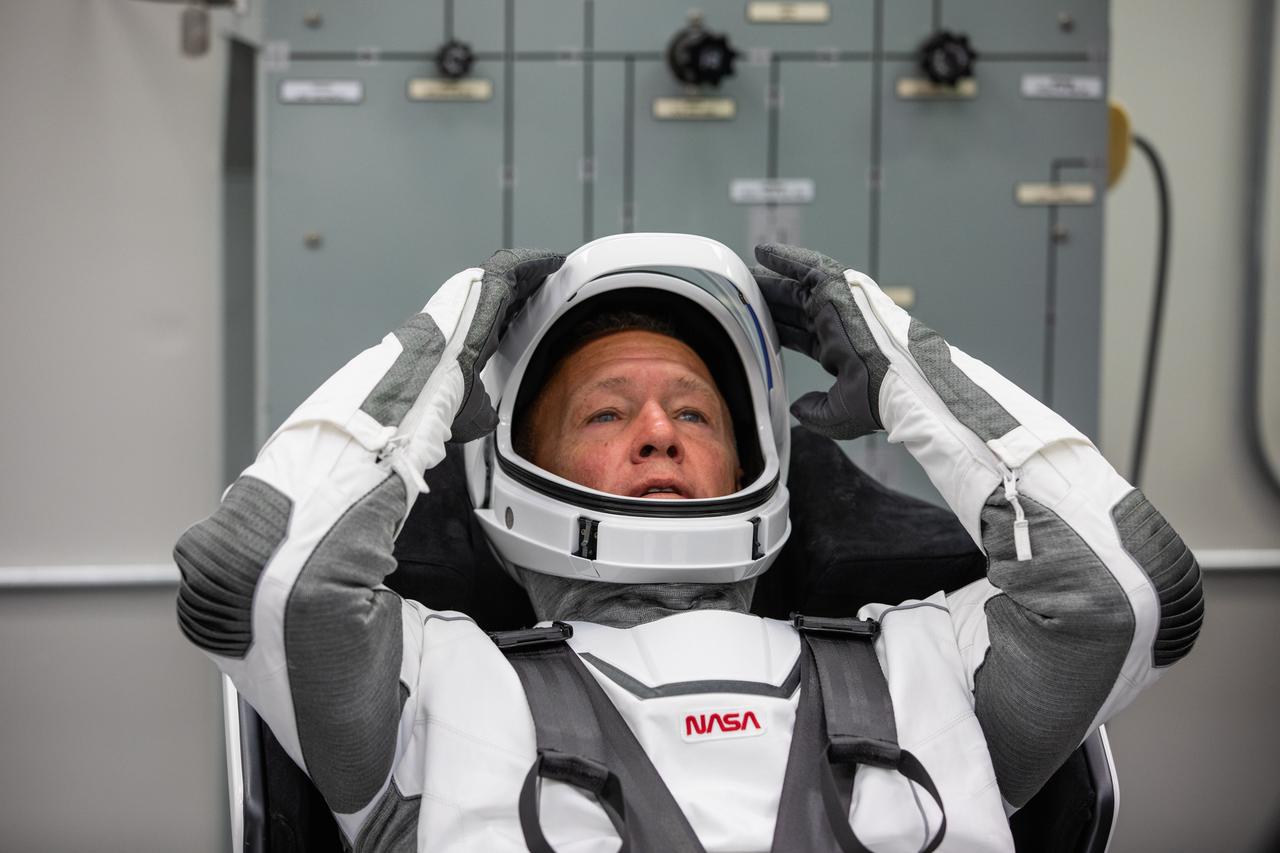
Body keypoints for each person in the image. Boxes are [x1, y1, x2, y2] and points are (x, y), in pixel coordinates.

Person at [174, 233, 1202, 852]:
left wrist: (907, 371)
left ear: (761, 453)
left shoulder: (922, 664)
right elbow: (257, 577)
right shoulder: (433, 687)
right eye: (605, 413)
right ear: (519, 461)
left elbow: (1124, 595)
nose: (658, 430)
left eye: (695, 414)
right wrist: (435, 360)